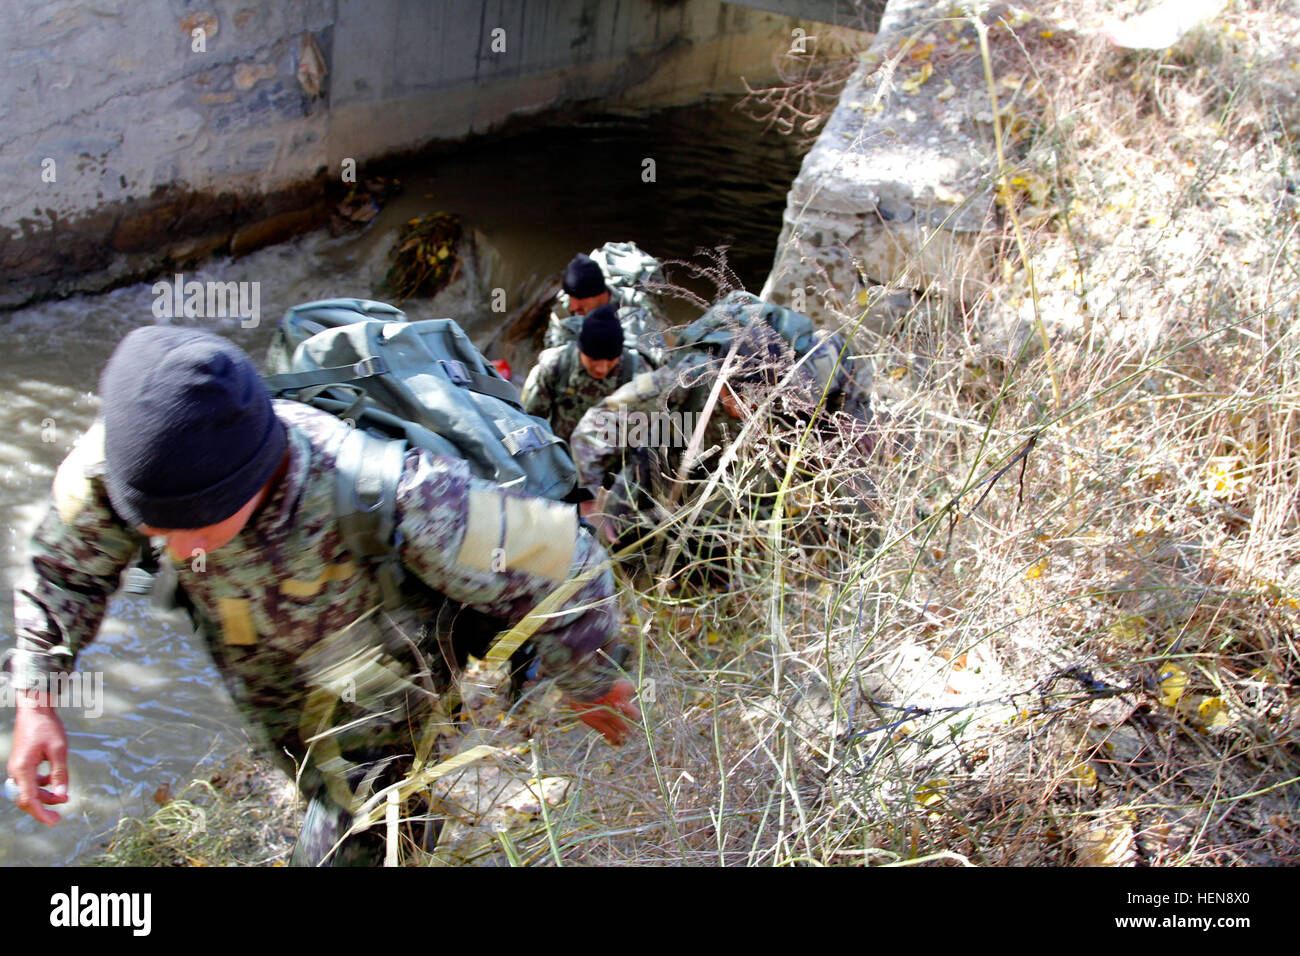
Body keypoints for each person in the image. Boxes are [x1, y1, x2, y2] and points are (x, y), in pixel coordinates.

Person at [5, 326, 638, 864]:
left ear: (249, 483)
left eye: (181, 528)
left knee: (355, 826)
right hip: (263, 679)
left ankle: (392, 827)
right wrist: (37, 699)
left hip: (379, 682)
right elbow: (65, 570)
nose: (165, 551)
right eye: (146, 529)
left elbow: (564, 557)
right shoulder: (124, 466)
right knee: (322, 786)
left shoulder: (395, 497)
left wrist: (589, 675)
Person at [521, 304, 647, 444]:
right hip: (562, 454)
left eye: (611, 360)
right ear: (581, 350)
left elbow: (647, 431)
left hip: (612, 458)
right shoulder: (554, 367)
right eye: (594, 359)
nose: (601, 369)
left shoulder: (637, 372)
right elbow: (530, 423)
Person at [544, 251, 667, 363]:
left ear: (601, 293)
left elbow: (663, 345)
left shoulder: (635, 304)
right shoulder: (564, 311)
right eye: (571, 297)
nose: (573, 307)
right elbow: (554, 352)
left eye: (581, 299)